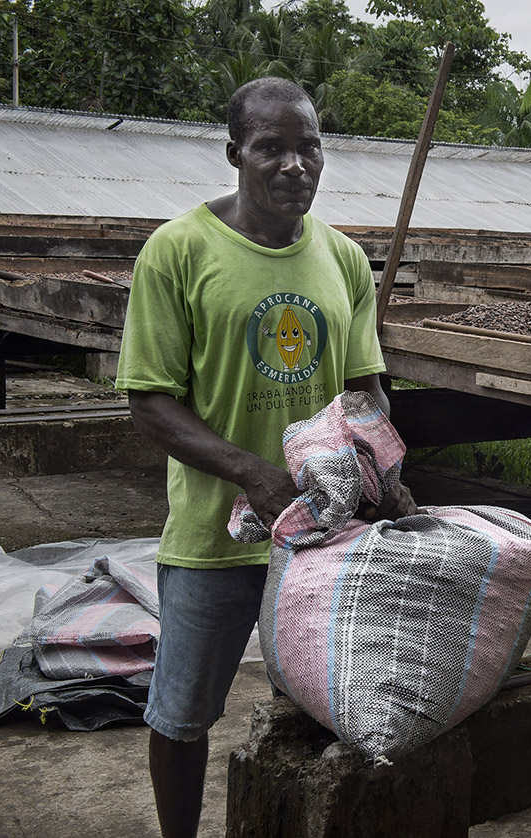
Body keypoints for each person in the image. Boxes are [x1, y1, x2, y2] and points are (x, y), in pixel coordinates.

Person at [116, 77, 416, 838]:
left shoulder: (344, 259)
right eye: (270, 148)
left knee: (324, 711)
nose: (294, 165)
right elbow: (150, 400)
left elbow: (363, 390)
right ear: (235, 155)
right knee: (181, 715)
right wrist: (250, 471)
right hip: (217, 538)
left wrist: (386, 472)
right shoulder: (178, 252)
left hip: (324, 537)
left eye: (308, 147)